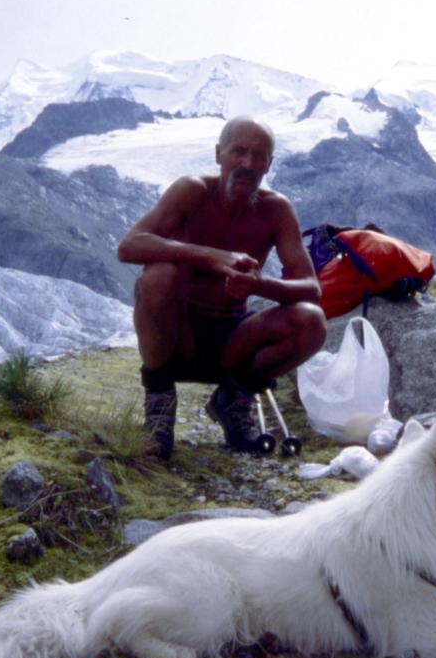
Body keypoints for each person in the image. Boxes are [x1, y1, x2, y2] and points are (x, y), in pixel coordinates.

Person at [116, 116, 327, 459]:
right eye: (239, 151)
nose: (248, 163)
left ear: (269, 165)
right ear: (219, 154)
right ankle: (158, 401)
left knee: (311, 320)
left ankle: (233, 400)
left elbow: (310, 288)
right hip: (175, 338)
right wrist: (210, 257)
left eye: (259, 156)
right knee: (157, 276)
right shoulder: (193, 192)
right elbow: (129, 246)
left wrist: (259, 284)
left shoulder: (276, 209)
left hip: (233, 341)